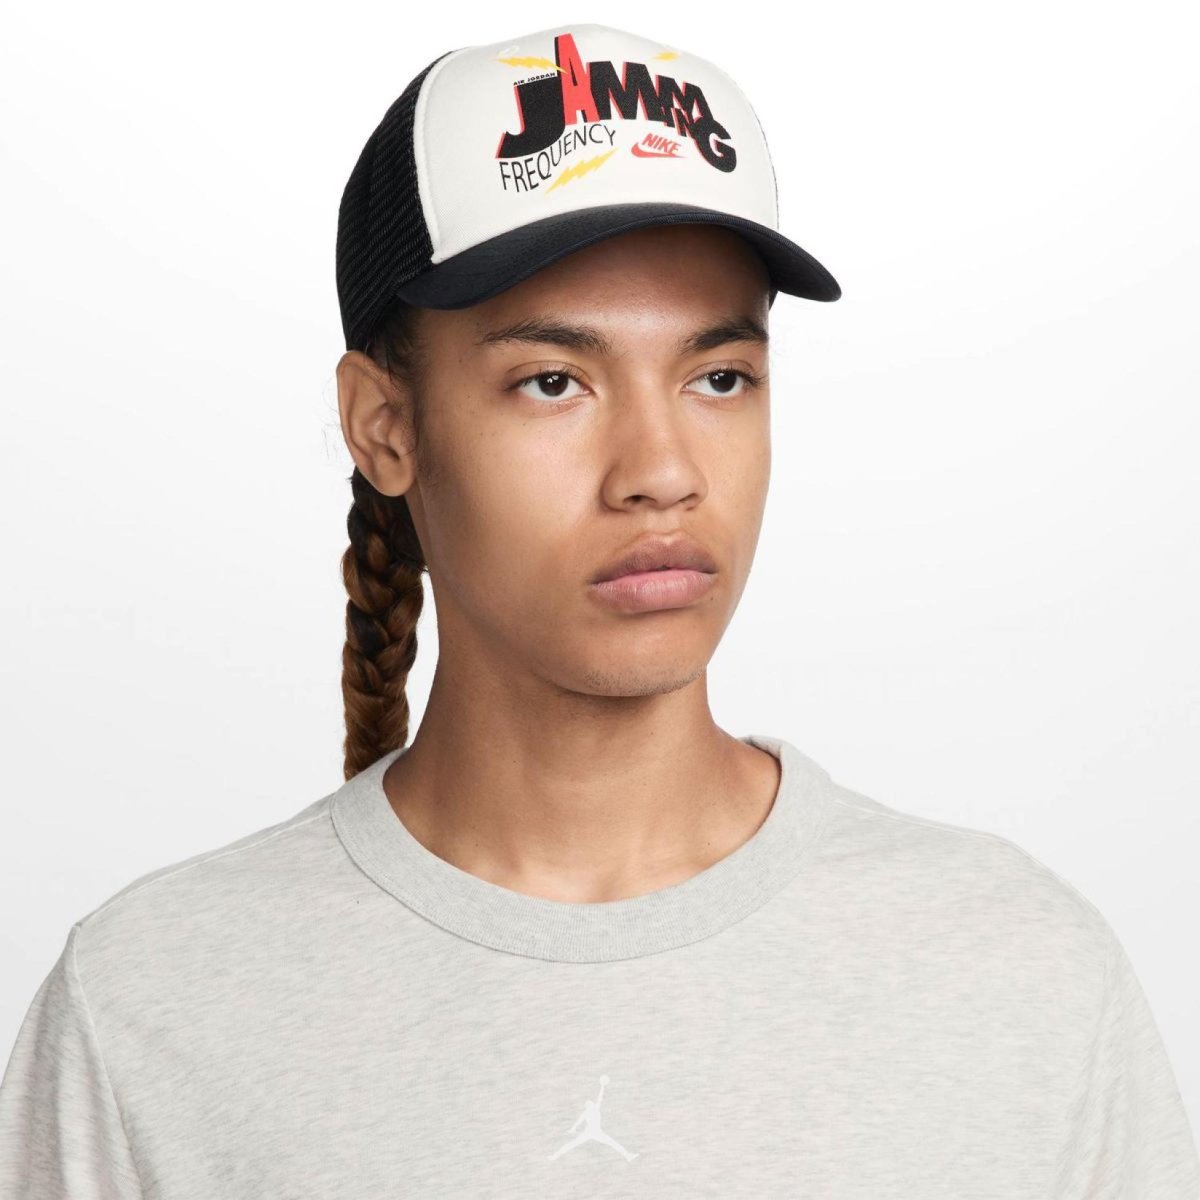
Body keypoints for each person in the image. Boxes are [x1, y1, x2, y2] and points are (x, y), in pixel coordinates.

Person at [1, 21, 1197, 1199]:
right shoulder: (150, 1009)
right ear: (385, 426)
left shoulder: (1020, 975)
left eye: (718, 377)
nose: (661, 471)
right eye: (553, 381)